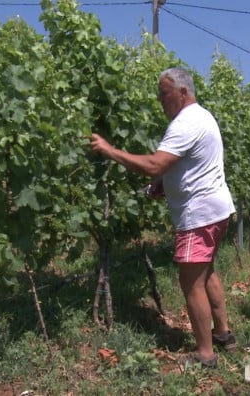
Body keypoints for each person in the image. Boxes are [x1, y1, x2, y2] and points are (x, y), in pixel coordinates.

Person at [90, 67, 236, 367]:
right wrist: (163, 185)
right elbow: (185, 165)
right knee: (205, 272)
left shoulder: (185, 123)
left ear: (183, 93)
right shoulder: (202, 116)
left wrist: (109, 150)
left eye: (164, 93)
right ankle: (223, 335)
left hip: (198, 216)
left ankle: (205, 355)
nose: (160, 100)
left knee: (190, 282)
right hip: (215, 211)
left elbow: (156, 163)